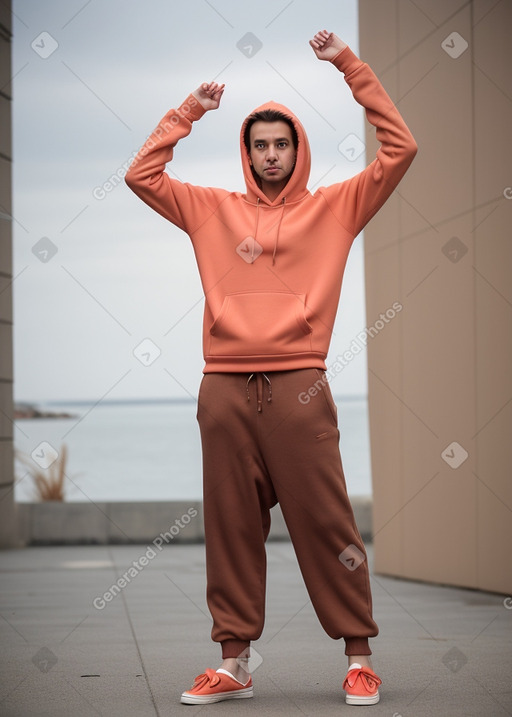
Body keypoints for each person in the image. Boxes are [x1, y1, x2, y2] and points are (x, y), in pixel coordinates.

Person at [126, 29, 417, 707]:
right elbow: (142, 174)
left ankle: (358, 655)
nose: (272, 155)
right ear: (247, 151)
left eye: (282, 143)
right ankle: (233, 661)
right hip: (223, 388)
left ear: (298, 149)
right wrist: (188, 111)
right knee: (230, 522)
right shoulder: (211, 209)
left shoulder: (335, 208)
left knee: (326, 522)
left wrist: (350, 66)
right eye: (260, 144)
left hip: (299, 387)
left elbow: (401, 148)